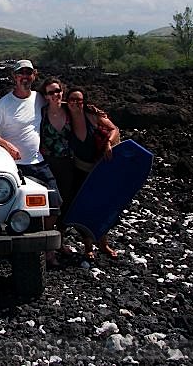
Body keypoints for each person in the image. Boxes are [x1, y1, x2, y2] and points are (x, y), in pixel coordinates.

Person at [0, 60, 61, 265]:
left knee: (55, 205)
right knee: (16, 211)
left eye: (28, 73)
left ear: (34, 75)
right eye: (20, 74)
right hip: (16, 167)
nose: (25, 77)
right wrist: (7, 145)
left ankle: (44, 243)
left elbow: (60, 105)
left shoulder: (39, 99)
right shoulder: (4, 104)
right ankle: (19, 251)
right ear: (14, 77)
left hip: (39, 162)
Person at [66, 86, 121, 260]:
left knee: (103, 206)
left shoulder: (92, 116)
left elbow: (114, 129)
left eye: (79, 100)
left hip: (99, 171)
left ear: (84, 102)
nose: (76, 103)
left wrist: (108, 144)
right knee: (84, 207)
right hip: (79, 171)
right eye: (72, 99)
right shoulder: (64, 117)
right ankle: (88, 246)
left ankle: (104, 243)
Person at [37, 77, 74, 256]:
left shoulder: (70, 110)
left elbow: (93, 119)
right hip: (48, 163)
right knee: (52, 204)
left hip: (68, 163)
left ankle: (60, 240)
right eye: (51, 92)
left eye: (57, 91)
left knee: (66, 204)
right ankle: (48, 247)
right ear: (45, 96)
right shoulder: (40, 113)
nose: (55, 95)